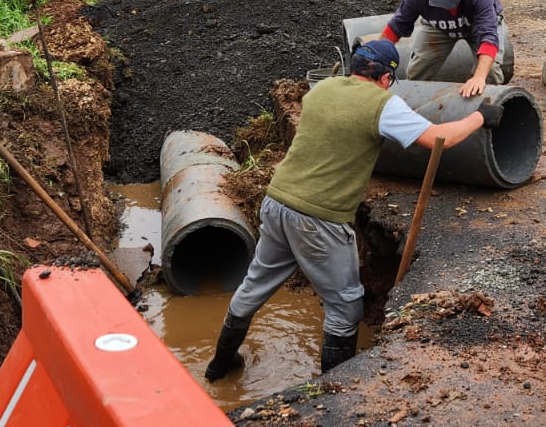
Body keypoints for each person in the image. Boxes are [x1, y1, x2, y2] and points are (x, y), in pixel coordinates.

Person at [205, 39, 500, 381]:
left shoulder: (322, 89)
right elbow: (439, 139)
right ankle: (333, 390)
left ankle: (220, 364)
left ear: (355, 67)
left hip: (277, 202)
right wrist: (481, 116)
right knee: (345, 305)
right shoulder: (381, 103)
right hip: (320, 218)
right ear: (386, 79)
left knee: (254, 285)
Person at [381, 0, 507, 98]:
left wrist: (479, 77)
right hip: (439, 27)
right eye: (440, 1)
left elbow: (489, 37)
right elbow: (397, 25)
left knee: (490, 73)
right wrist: (374, 59)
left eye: (451, 1)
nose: (447, 7)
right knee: (418, 71)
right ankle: (416, 109)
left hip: (477, 27)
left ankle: (487, 112)